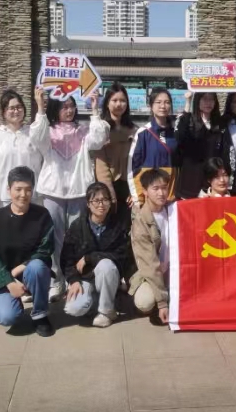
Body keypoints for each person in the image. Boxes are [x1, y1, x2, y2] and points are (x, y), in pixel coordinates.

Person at [31, 88, 110, 303]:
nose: (69, 110)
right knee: (54, 237)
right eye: (64, 107)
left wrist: (95, 109)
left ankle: (73, 277)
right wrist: (40, 107)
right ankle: (56, 281)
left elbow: (99, 138)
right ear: (56, 108)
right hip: (53, 191)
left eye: (72, 106)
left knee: (77, 237)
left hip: (78, 190)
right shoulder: (48, 131)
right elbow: (36, 137)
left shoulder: (82, 132)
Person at [0, 166, 54, 337]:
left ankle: (40, 315)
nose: (23, 194)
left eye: (28, 189)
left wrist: (17, 270)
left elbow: (45, 250)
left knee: (37, 267)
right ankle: (11, 306)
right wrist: (9, 282)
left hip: (32, 273)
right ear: (9, 190)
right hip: (4, 278)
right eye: (18, 189)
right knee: (7, 317)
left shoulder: (42, 215)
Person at [62, 182, 130, 328]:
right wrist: (73, 280)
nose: (101, 204)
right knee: (73, 308)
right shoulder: (78, 226)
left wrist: (90, 257)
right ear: (88, 204)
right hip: (85, 277)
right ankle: (99, 300)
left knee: (105, 265)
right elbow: (67, 258)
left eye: (105, 199)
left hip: (108, 275)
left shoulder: (118, 225)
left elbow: (122, 255)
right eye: (96, 200)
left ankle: (106, 311)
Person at [129, 169, 175, 324]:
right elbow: (149, 264)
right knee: (144, 302)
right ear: (145, 191)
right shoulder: (141, 221)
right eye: (155, 189)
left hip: (174, 270)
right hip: (152, 272)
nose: (161, 193)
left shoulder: (174, 209)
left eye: (164, 188)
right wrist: (162, 303)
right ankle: (156, 301)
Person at [0, 89, 43, 211]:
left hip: (31, 196)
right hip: (4, 197)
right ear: (4, 112)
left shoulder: (33, 133)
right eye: (11, 108)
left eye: (19, 107)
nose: (16, 111)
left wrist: (40, 106)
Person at [128, 88, 180, 205]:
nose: (163, 106)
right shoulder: (143, 133)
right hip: (149, 200)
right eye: (158, 102)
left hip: (170, 197)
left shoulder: (176, 132)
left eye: (167, 102)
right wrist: (138, 197)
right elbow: (133, 168)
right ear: (151, 106)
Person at [95, 83, 137, 226]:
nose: (119, 104)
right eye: (114, 100)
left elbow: (138, 161)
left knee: (128, 226)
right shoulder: (101, 129)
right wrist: (109, 194)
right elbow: (101, 166)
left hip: (129, 185)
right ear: (107, 103)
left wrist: (135, 191)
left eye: (123, 100)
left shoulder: (134, 130)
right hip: (107, 186)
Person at [176, 91, 227, 199]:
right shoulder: (188, 120)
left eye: (211, 99)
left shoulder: (219, 124)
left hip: (210, 184)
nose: (208, 103)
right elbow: (180, 137)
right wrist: (188, 102)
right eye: (204, 99)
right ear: (197, 100)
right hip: (190, 182)